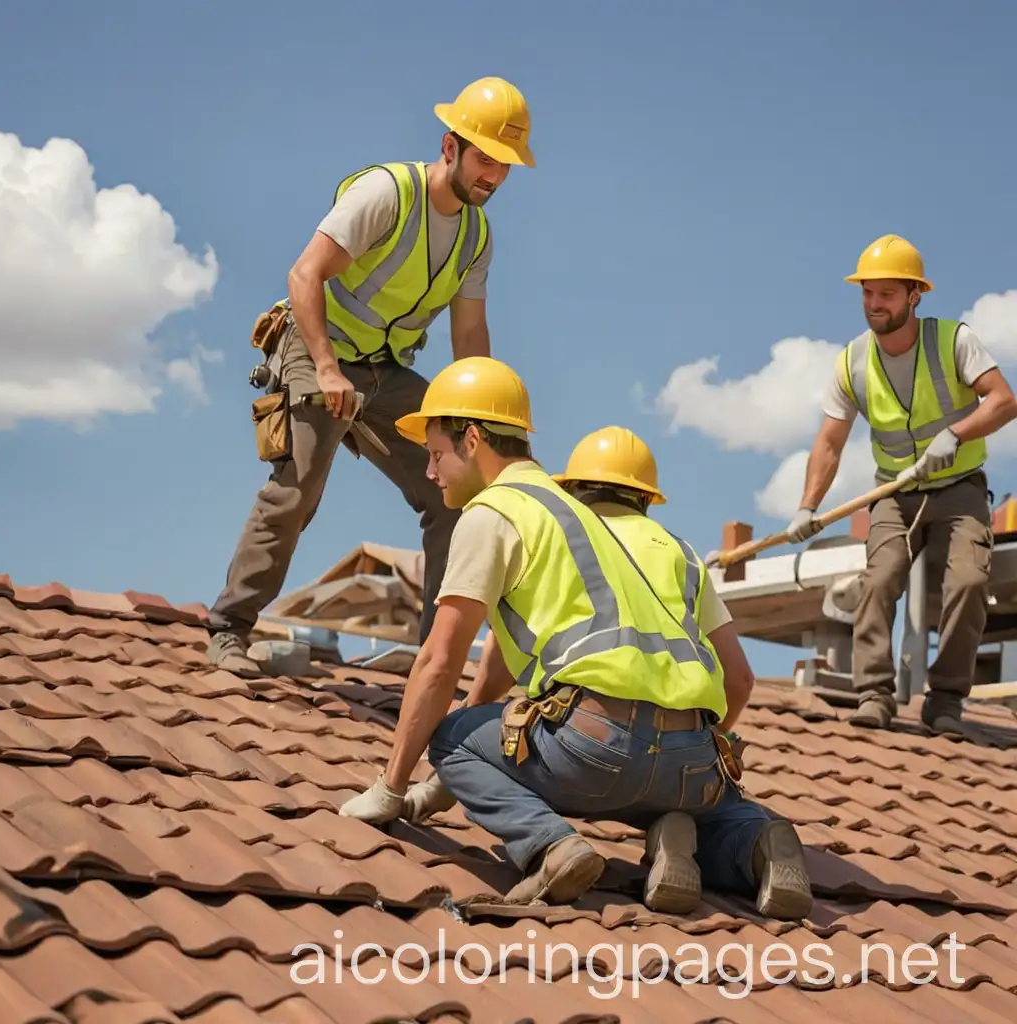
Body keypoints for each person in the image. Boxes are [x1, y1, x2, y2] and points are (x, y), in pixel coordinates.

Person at [339, 359, 814, 921]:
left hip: (596, 746)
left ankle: (551, 846)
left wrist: (394, 787)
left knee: (448, 734)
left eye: (436, 452)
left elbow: (440, 663)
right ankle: (748, 837)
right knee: (699, 805)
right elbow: (739, 678)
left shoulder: (494, 513)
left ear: (471, 439)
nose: (431, 469)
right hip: (692, 753)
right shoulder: (598, 524)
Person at [205, 77, 536, 676]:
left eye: (506, 165)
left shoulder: (476, 237)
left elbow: (469, 340)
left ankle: (437, 656)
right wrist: (327, 370)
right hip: (316, 349)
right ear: (450, 147)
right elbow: (304, 275)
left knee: (459, 494)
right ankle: (229, 629)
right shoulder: (388, 194)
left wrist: (481, 426)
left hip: (388, 372)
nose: (494, 175)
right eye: (486, 158)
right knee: (298, 487)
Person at [785, 234, 1017, 733]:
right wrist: (807, 506)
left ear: (915, 295)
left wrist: (954, 435)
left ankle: (947, 701)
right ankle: (875, 695)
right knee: (879, 578)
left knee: (971, 581)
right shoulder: (851, 363)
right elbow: (829, 442)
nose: (874, 304)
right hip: (894, 493)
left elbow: (1003, 400)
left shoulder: (954, 340)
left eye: (886, 294)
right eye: (867, 293)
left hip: (959, 488)